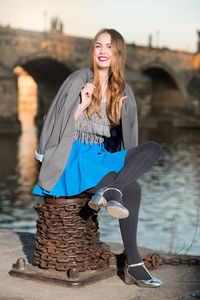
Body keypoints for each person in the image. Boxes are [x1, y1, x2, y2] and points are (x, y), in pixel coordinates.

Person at [33, 28, 163, 288]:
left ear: (118, 54)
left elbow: (121, 143)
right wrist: (81, 106)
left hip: (101, 156)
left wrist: (118, 115)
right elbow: (56, 123)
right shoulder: (78, 79)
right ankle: (134, 264)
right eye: (98, 46)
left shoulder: (122, 89)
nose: (103, 52)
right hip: (73, 155)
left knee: (153, 148)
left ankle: (111, 189)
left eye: (109, 47)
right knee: (134, 188)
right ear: (93, 51)